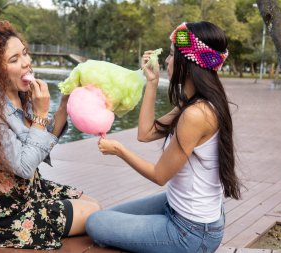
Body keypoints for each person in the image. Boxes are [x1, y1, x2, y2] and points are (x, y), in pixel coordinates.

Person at [86, 21, 242, 253]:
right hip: (178, 209)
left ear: (189, 63)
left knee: (95, 224)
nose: (167, 61)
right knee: (105, 216)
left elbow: (160, 176)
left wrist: (119, 150)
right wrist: (151, 81)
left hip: (191, 232)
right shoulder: (194, 104)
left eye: (171, 55)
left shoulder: (197, 114)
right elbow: (145, 133)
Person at [0, 20, 100, 250]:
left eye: (24, 53)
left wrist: (63, 105)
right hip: (7, 215)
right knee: (93, 213)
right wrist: (41, 114)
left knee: (91, 204)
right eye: (14, 60)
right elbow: (24, 167)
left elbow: (40, 146)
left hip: (31, 191)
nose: (26, 63)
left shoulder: (21, 95)